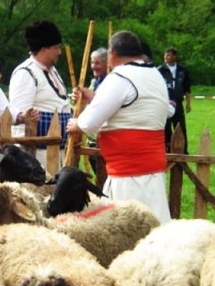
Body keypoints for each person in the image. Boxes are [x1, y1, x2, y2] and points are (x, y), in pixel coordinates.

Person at [66, 31, 171, 224]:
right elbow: (132, 108)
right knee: (156, 226)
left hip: (128, 174)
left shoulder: (120, 76)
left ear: (112, 54)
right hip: (152, 170)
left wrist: (76, 123)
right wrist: (95, 98)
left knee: (129, 230)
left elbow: (89, 122)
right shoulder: (155, 75)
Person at [9, 20, 71, 169]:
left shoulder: (53, 71)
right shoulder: (26, 73)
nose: (59, 52)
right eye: (56, 48)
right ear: (44, 49)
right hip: (37, 155)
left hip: (57, 152)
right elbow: (19, 117)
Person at [157, 47, 192, 154]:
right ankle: (167, 149)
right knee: (166, 127)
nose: (165, 57)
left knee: (180, 126)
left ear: (174, 56)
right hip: (165, 103)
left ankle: (183, 150)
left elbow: (187, 88)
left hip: (178, 102)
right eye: (165, 55)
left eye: (168, 55)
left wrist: (188, 103)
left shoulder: (183, 70)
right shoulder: (160, 70)